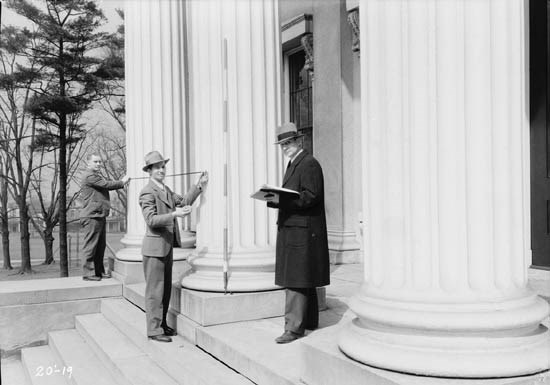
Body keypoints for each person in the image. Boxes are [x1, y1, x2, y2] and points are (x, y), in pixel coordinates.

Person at [267, 122, 330, 344]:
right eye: (282, 144)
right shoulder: (296, 163)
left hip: (302, 231)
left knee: (296, 278)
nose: (285, 147)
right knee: (304, 276)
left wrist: (280, 199)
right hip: (296, 229)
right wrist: (277, 200)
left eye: (289, 142)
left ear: (298, 141)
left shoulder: (309, 163)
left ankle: (293, 328)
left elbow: (311, 196)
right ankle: (309, 321)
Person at [139, 151, 208, 342]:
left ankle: (161, 324)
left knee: (165, 289)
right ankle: (153, 330)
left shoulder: (165, 189)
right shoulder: (147, 191)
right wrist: (175, 215)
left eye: (163, 166)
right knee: (155, 291)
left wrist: (198, 186)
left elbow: (184, 202)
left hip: (166, 247)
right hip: (153, 250)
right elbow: (151, 219)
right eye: (157, 167)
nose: (161, 170)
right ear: (149, 171)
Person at [80, 154, 130, 281]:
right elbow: (106, 184)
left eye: (99, 162)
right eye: (95, 162)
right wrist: (122, 182)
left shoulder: (95, 176)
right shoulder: (89, 176)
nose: (98, 164)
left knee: (100, 246)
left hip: (98, 215)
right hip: (92, 216)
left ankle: (98, 272)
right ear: (88, 163)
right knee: (91, 245)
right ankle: (88, 274)